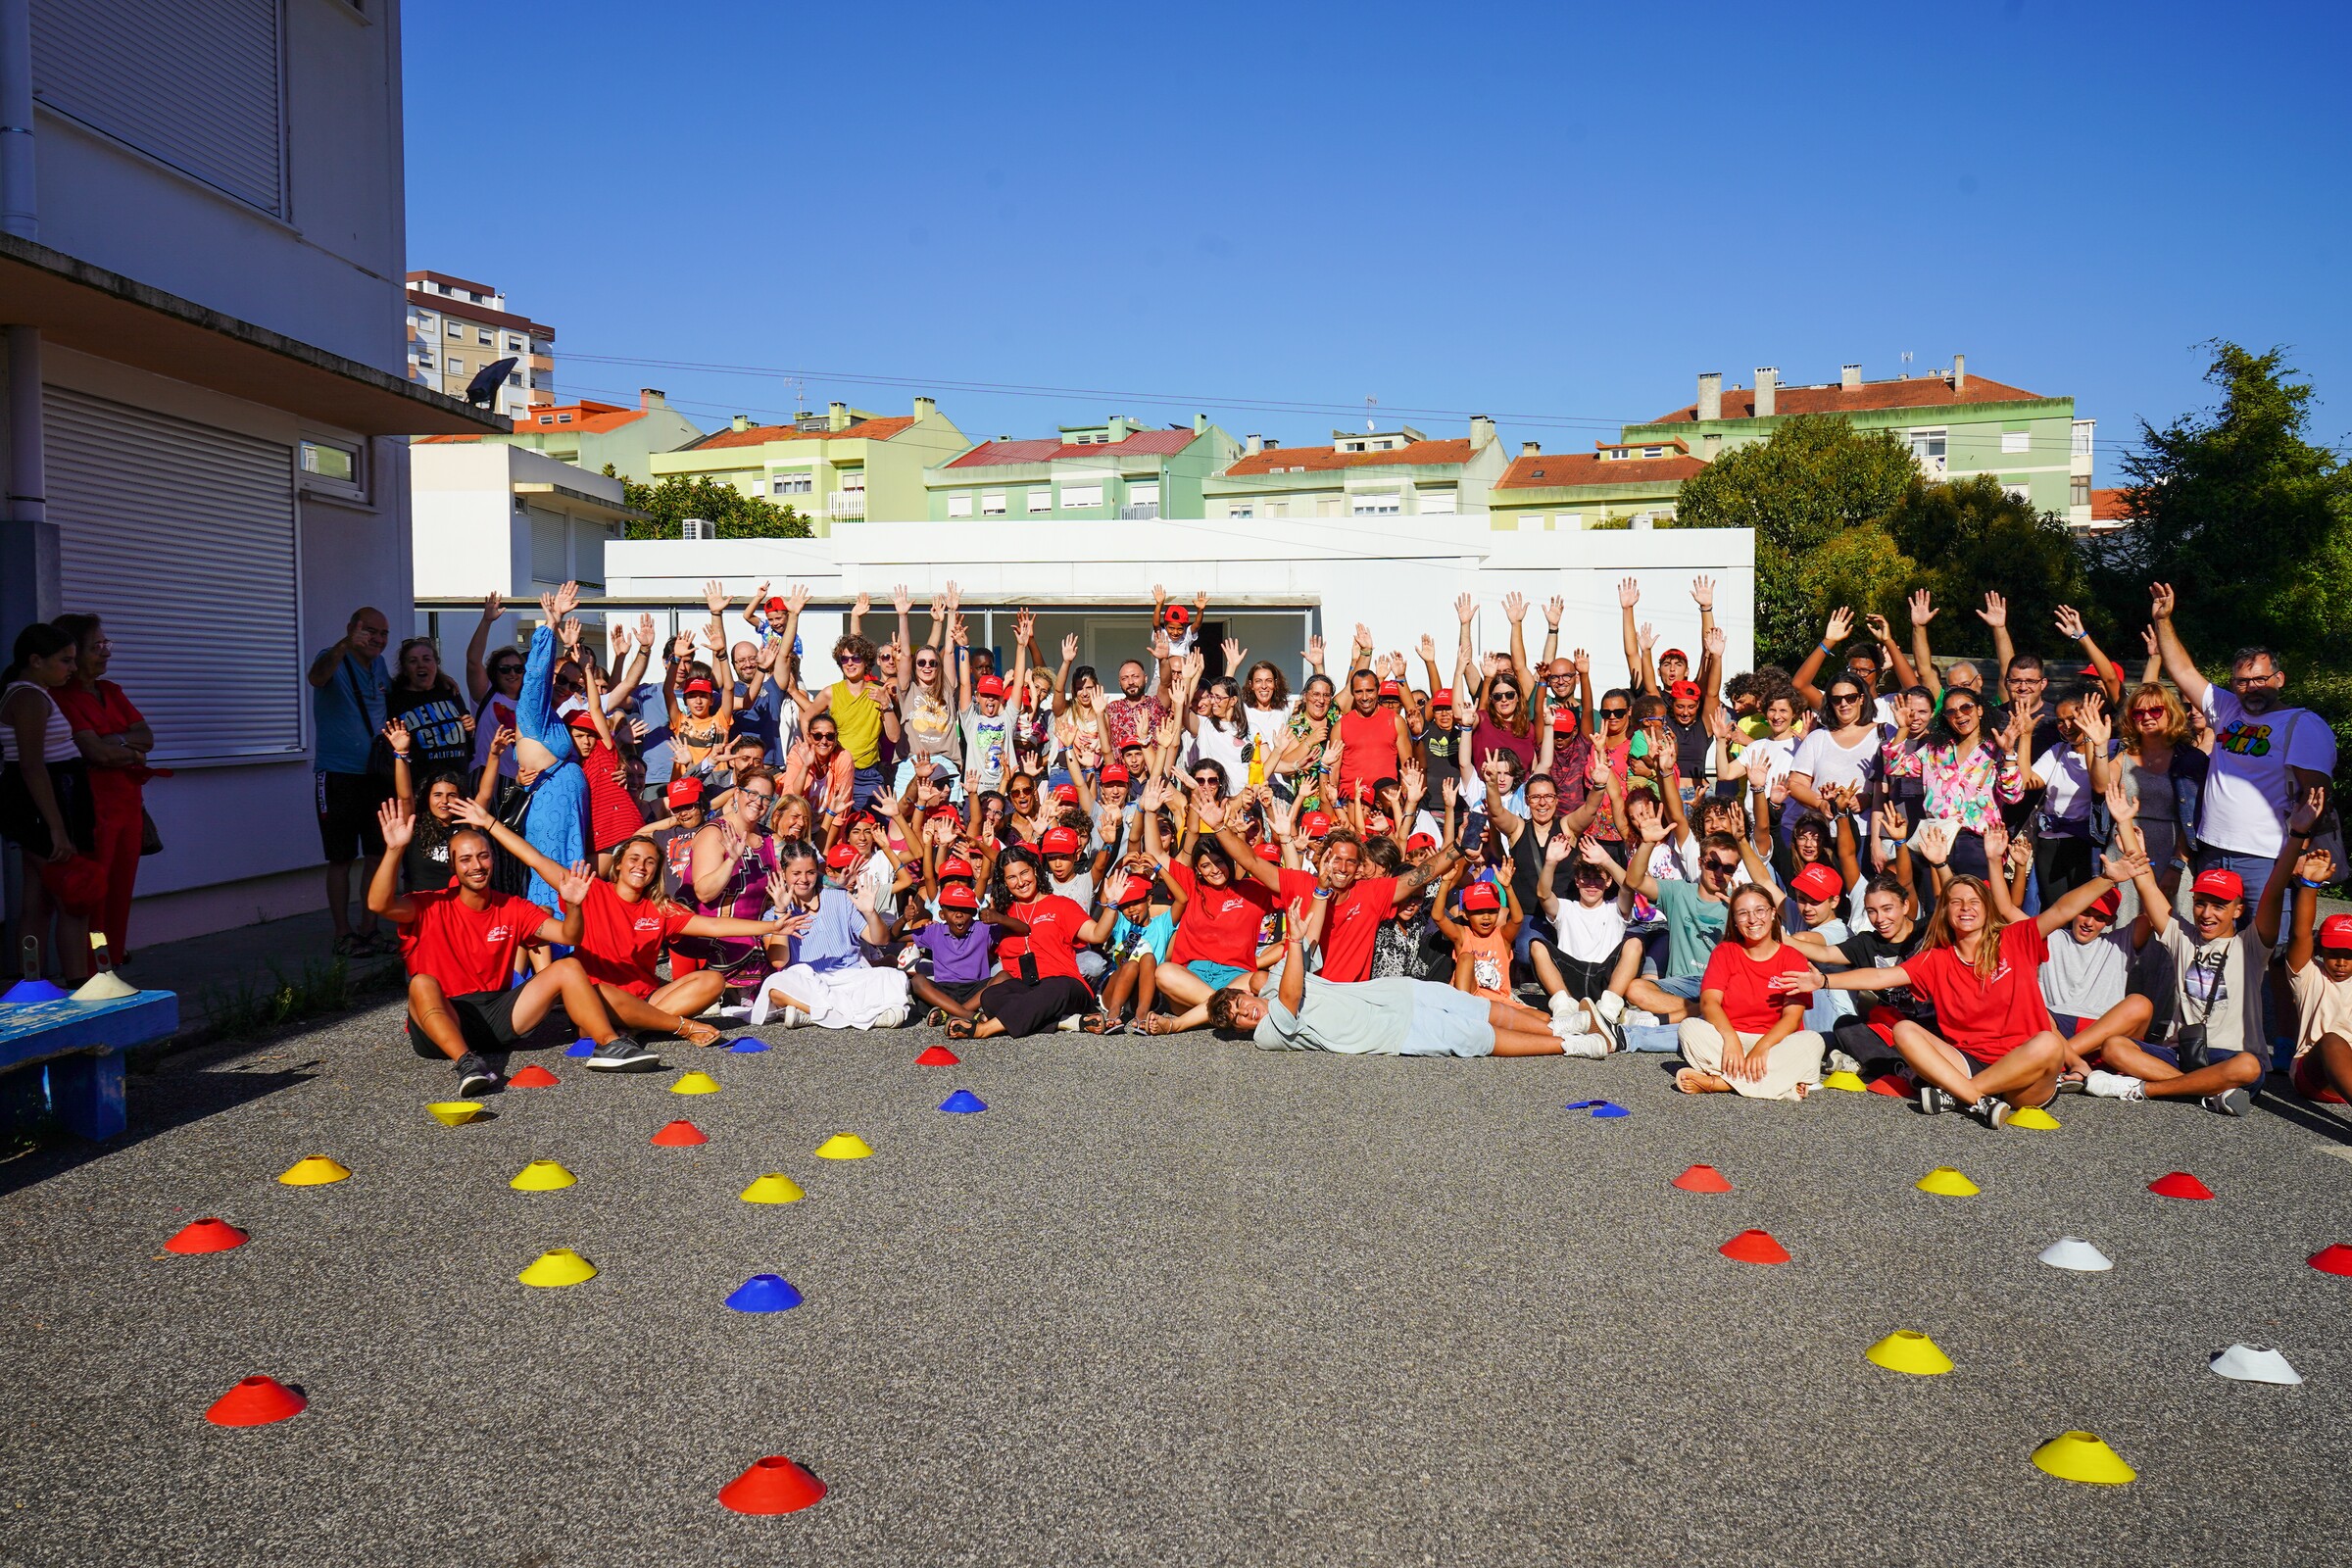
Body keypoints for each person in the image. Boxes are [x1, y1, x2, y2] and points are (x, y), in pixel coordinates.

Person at [1770, 852, 2141, 1126]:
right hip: (1966, 1060)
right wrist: (1823, 980)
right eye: (1955, 902)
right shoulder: (1937, 958)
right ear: (1945, 911)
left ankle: (1963, 1095)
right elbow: (1881, 978)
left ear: (1986, 907)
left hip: (2023, 1075)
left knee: (2046, 1041)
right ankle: (1972, 1097)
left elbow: (2061, 909)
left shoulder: (2016, 938)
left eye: (1973, 901)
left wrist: (2108, 879)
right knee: (1903, 1029)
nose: (1965, 908)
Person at [452, 801, 800, 1054]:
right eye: (634, 859)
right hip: (597, 998)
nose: (642, 866)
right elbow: (534, 858)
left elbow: (712, 925)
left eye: (650, 862)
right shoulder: (590, 891)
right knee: (601, 993)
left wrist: (772, 924)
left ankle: (633, 1027)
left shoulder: (659, 908)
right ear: (618, 866)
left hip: (647, 999)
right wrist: (491, 824)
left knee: (712, 980)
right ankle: (673, 1026)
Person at [367, 799, 630, 1093]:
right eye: (465, 859)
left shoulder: (513, 907)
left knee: (568, 966)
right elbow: (378, 903)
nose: (476, 866)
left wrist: (574, 906)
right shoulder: (429, 904)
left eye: (483, 856)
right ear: (453, 865)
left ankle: (611, 1045)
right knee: (421, 983)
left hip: (497, 1014)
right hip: (441, 1019)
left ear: (493, 859)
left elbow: (569, 937)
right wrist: (393, 850)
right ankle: (466, 1063)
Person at [2080, 796, 2308, 1115]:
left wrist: (2297, 835)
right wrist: (2124, 822)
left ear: (2238, 910)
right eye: (2201, 902)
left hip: (2230, 1058)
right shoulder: (2182, 936)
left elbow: (2273, 890)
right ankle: (2209, 1092)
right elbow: (2145, 884)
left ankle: (2145, 1088)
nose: (2206, 913)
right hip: (2181, 1052)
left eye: (2219, 905)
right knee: (2115, 1047)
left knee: (2249, 1066)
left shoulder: (2251, 945)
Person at [1204, 896, 1574, 1057]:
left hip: (1394, 993)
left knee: (1476, 1009)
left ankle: (1559, 1026)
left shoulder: (1276, 977)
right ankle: (1566, 1046)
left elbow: (1282, 969)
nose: (1246, 1012)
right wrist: (1294, 939)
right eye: (1238, 1019)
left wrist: (1313, 905)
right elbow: (1287, 999)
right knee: (1477, 1037)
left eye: (1240, 1004)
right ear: (1242, 1029)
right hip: (1391, 1033)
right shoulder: (1268, 1036)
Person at [2150, 583, 2337, 891]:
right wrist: (2163, 620)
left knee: (2265, 939)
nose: (2251, 688)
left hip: (2269, 857)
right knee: (2216, 938)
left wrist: (2300, 851)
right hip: (2211, 849)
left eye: (2260, 679)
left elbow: (2316, 797)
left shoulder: (2302, 724)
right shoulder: (2227, 709)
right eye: (2242, 682)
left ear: (2279, 679)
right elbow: (2182, 670)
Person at [49, 613, 153, 966]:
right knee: (95, 893)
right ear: (72, 652)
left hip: (127, 804)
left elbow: (147, 738)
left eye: (106, 645)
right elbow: (94, 752)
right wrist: (129, 751)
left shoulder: (111, 691)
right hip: (92, 808)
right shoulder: (62, 697)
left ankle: (112, 965)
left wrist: (119, 744)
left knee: (120, 893)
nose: (106, 653)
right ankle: (95, 967)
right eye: (97, 647)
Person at [1, 624, 96, 981]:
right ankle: (79, 985)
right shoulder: (28, 697)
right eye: (65, 660)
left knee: (38, 902)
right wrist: (56, 828)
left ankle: (32, 986)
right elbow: (31, 765)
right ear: (36, 660)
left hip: (54, 796)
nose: (72, 668)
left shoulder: (37, 692)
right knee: (75, 896)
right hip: (46, 802)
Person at [1673, 885, 1827, 1101]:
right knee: (1689, 1028)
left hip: (1775, 1043)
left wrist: (1762, 1047)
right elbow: (1709, 1003)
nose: (1753, 919)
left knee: (1812, 1041)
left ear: (1773, 913)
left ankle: (1720, 1083)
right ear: (1734, 919)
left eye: (1760, 910)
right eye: (1743, 913)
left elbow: (1792, 1019)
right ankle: (1780, 1085)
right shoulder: (1725, 951)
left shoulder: (1793, 958)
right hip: (1730, 1038)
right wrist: (1731, 1039)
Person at [306, 604, 393, 956]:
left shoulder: (381, 665)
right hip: (337, 774)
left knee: (375, 855)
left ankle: (369, 930)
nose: (378, 639)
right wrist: (344, 644)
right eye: (370, 630)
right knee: (341, 858)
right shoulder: (333, 657)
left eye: (384, 633)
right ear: (352, 628)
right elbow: (316, 677)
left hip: (376, 775)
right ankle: (343, 934)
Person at [749, 840, 909, 1029]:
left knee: (896, 978)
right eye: (796, 873)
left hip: (851, 976)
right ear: (784, 873)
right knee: (774, 986)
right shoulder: (774, 914)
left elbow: (880, 940)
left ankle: (813, 1014)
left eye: (810, 872)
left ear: (817, 872)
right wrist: (782, 912)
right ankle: (849, 1015)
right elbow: (778, 962)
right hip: (807, 981)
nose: (804, 879)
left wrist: (870, 912)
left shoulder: (841, 898)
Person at [947, 846, 1094, 1039]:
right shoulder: (1001, 913)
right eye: (1012, 877)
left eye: (1024, 873)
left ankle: (986, 1029)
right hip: (1028, 990)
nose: (1020, 882)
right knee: (990, 996)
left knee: (1055, 987)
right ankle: (1066, 1022)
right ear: (1004, 882)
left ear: (1034, 869)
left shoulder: (1062, 904)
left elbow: (1097, 935)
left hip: (1066, 989)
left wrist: (1112, 904)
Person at [511, 586, 590, 914]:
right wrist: (551, 625)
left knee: (573, 882)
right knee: (551, 882)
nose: (565, 688)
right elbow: (534, 679)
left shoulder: (559, 719)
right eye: (560, 679)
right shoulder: (532, 712)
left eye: (573, 685)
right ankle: (546, 956)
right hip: (550, 811)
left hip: (570, 813)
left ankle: (570, 951)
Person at [2282, 854, 2352, 1107]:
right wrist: (2310, 886)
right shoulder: (2310, 977)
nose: (2341, 963)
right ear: (2321, 951)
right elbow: (2301, 933)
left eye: (2349, 956)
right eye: (2334, 954)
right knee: (2332, 1040)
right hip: (2313, 1073)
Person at [386, 636, 472, 777]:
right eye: (413, 661)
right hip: (421, 786)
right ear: (405, 669)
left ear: (436, 664)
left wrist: (470, 728)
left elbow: (468, 739)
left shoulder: (450, 691)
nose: (421, 665)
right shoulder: (395, 701)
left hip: (456, 784)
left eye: (427, 659)